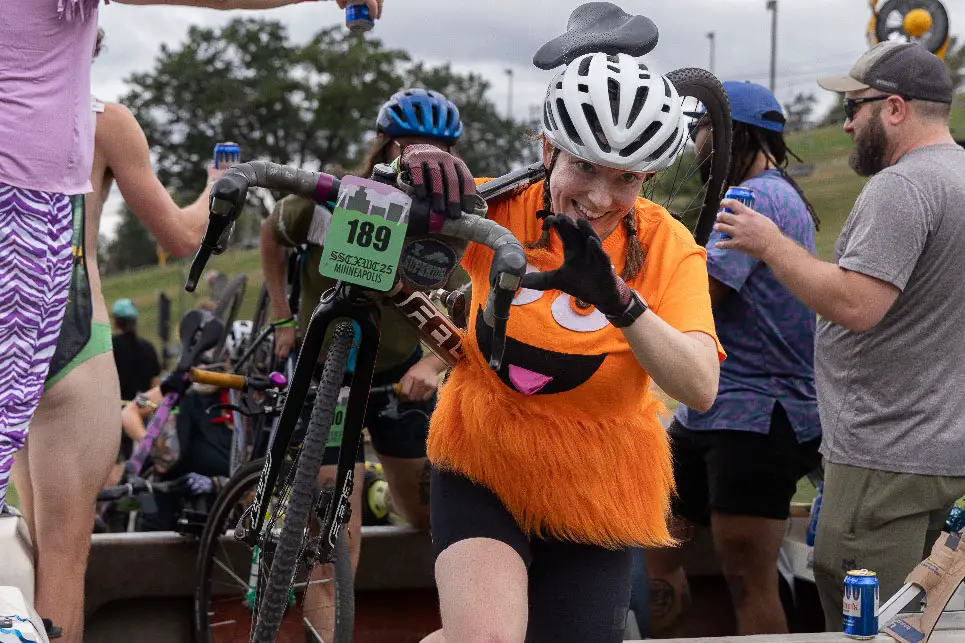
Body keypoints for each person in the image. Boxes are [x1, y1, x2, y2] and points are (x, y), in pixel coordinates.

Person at [412, 50, 723, 643]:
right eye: (584, 166)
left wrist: (620, 302)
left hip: (597, 487)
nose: (602, 198)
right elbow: (379, 223)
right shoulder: (500, 205)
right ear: (547, 150)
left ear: (647, 179)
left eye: (626, 178)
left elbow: (700, 386)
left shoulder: (664, 243)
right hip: (485, 459)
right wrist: (414, 169)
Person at [715, 40, 965, 631]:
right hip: (943, 447)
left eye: (855, 106)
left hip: (884, 452)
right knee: (919, 623)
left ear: (896, 108)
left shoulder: (902, 187)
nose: (847, 123)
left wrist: (769, 242)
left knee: (865, 619)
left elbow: (856, 304)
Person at [260, 87, 467, 642]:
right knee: (334, 546)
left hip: (398, 377)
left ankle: (378, 488)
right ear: (384, 147)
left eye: (439, 149)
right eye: (411, 146)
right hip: (329, 373)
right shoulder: (330, 200)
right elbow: (271, 234)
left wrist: (433, 364)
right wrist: (283, 321)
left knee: (425, 513)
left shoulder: (449, 222)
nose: (425, 159)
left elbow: (466, 312)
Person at [645, 81, 822, 637]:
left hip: (756, 419)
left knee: (748, 581)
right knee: (657, 549)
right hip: (709, 413)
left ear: (731, 135)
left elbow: (699, 296)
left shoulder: (757, 199)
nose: (696, 145)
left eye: (701, 132)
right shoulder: (773, 192)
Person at [118, 319, 250, 532]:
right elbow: (130, 412)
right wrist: (150, 443)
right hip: (162, 497)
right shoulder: (185, 389)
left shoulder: (249, 409)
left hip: (219, 514)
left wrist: (218, 483)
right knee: (146, 528)